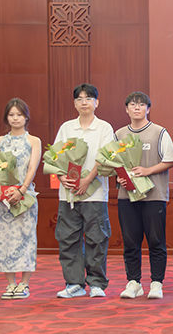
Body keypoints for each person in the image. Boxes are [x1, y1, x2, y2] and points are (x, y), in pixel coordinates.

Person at [50, 83, 116, 299]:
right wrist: (62, 177)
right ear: (74, 103)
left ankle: (96, 282)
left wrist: (87, 180)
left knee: (97, 238)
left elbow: (105, 157)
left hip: (95, 193)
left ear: (97, 102)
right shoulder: (66, 128)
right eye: (79, 99)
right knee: (68, 239)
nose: (84, 102)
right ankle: (74, 283)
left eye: (88, 98)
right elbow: (55, 157)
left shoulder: (104, 128)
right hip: (68, 194)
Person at [115, 92, 173, 300]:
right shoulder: (119, 134)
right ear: (126, 109)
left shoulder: (159, 132)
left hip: (154, 196)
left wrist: (147, 171)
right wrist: (119, 176)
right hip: (127, 196)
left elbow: (170, 160)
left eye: (141, 105)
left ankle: (157, 283)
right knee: (130, 241)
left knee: (156, 241)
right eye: (132, 104)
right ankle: (134, 282)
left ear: (148, 109)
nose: (137, 108)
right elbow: (113, 162)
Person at [0, 98, 41, 299]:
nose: (15, 118)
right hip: (2, 199)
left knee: (26, 237)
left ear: (26, 117)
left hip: (25, 196)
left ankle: (24, 283)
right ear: (6, 118)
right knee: (4, 239)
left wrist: (21, 190)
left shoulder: (33, 141)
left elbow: (32, 168)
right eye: (11, 115)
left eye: (19, 114)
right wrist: (3, 192)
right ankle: (10, 284)